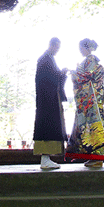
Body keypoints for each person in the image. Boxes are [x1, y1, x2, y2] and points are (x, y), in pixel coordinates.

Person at [65, 38, 104, 168]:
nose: (80, 51)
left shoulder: (90, 60)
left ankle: (97, 157)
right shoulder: (91, 61)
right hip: (92, 100)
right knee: (91, 128)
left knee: (92, 127)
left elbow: (83, 77)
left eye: (81, 48)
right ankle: (93, 157)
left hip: (90, 101)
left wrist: (72, 73)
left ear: (85, 48)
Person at [33, 37, 68, 170]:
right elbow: (48, 79)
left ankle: (46, 158)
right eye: (56, 48)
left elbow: (54, 77)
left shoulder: (48, 59)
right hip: (46, 99)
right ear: (51, 45)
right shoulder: (44, 59)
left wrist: (61, 74)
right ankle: (45, 158)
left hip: (50, 99)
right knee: (47, 127)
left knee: (50, 127)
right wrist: (61, 74)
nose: (57, 51)